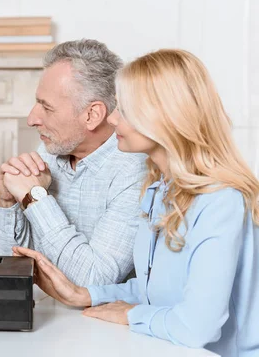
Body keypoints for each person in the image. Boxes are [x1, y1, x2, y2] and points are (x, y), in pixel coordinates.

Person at [15, 49, 259, 357]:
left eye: (125, 110)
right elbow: (154, 291)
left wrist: (130, 315)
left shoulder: (221, 201)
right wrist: (84, 295)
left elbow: (198, 327)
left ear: (164, 118)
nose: (113, 118)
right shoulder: (159, 190)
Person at [0, 39, 147, 286]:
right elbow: (9, 261)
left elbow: (94, 279)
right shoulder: (53, 148)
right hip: (47, 311)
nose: (31, 119)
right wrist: (7, 202)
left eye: (47, 108)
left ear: (92, 115)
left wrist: (35, 198)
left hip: (102, 322)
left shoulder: (135, 171)